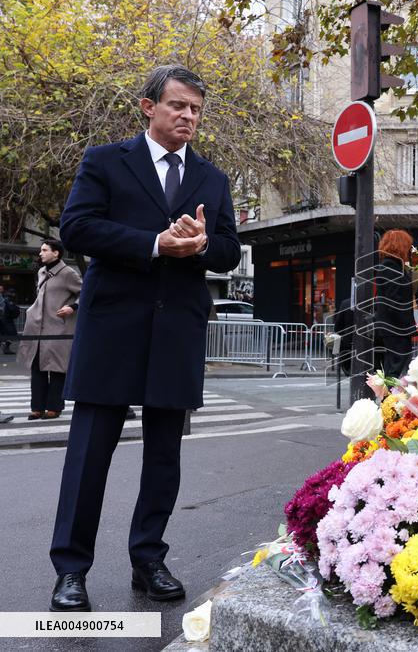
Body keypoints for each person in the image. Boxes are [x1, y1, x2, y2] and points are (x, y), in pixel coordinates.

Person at [49, 65, 241, 612]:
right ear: (148, 107)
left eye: (196, 110)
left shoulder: (213, 179)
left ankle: (148, 559)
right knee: (88, 458)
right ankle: (70, 570)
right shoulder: (106, 161)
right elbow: (77, 228)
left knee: (163, 460)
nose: (187, 116)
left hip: (177, 332)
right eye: (178, 105)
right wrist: (154, 244)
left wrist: (204, 244)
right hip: (112, 331)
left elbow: (228, 247)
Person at [16, 240, 81, 420]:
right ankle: (37, 407)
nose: (40, 253)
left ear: (56, 253)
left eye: (44, 250)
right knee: (37, 368)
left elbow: (84, 293)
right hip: (37, 328)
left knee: (57, 369)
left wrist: (72, 307)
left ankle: (54, 407)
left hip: (58, 329)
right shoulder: (42, 271)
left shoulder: (68, 273)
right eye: (40, 250)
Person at [373, 229, 417, 378]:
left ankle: (389, 398)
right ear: (400, 246)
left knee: (394, 365)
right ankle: (389, 399)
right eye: (408, 246)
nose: (410, 249)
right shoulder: (391, 268)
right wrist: (409, 325)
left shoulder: (391, 266)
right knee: (395, 366)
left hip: (393, 327)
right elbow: (394, 301)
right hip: (395, 328)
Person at [0, 285, 18, 354]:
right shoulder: (7, 299)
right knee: (12, 334)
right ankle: (5, 347)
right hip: (6, 319)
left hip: (5, 319)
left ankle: (5, 346)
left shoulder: (5, 298)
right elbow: (10, 308)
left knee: (6, 334)